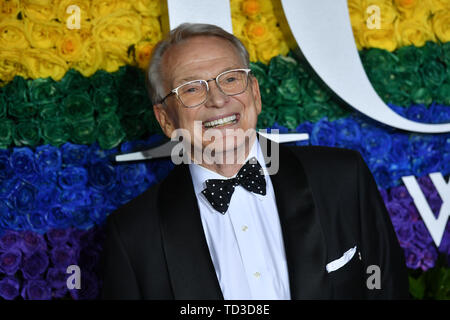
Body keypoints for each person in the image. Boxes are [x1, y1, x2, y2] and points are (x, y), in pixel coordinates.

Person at [100, 23, 409, 299]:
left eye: (230, 79)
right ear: (165, 119)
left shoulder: (342, 179)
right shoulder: (133, 235)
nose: (218, 99)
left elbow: (388, 290)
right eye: (192, 88)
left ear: (256, 93)